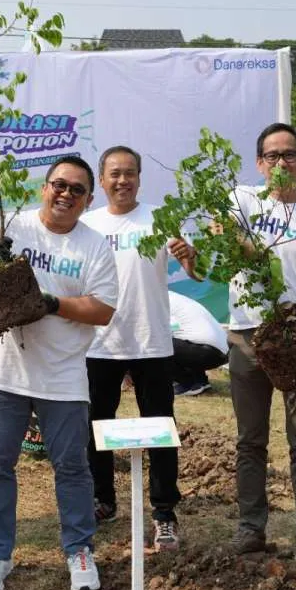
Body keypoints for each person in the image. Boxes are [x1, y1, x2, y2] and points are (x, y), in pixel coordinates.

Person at [0, 156, 118, 590]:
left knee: (72, 467)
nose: (66, 194)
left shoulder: (94, 247)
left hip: (62, 377)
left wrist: (53, 304)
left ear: (88, 199)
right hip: (2, 373)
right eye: (59, 185)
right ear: (44, 187)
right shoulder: (12, 228)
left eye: (77, 189)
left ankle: (79, 551)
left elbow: (102, 309)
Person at [224, 123, 296, 585]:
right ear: (258, 164)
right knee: (250, 440)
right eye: (270, 156)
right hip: (247, 338)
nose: (280, 163)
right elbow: (230, 244)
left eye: (289, 155)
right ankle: (251, 528)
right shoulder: (240, 203)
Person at [82, 145, 198, 550]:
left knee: (161, 430)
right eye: (114, 173)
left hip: (151, 341)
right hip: (100, 342)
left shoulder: (160, 219)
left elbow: (195, 269)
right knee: (96, 424)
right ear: (102, 179)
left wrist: (189, 257)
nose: (122, 180)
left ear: (139, 178)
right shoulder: (87, 224)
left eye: (130, 173)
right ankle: (102, 499)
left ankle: (165, 512)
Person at [168, 291, 229, 397]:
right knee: (186, 336)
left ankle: (187, 384)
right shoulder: (174, 297)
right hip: (223, 352)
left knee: (159, 344)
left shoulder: (160, 300)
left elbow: (169, 328)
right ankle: (200, 381)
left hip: (206, 352)